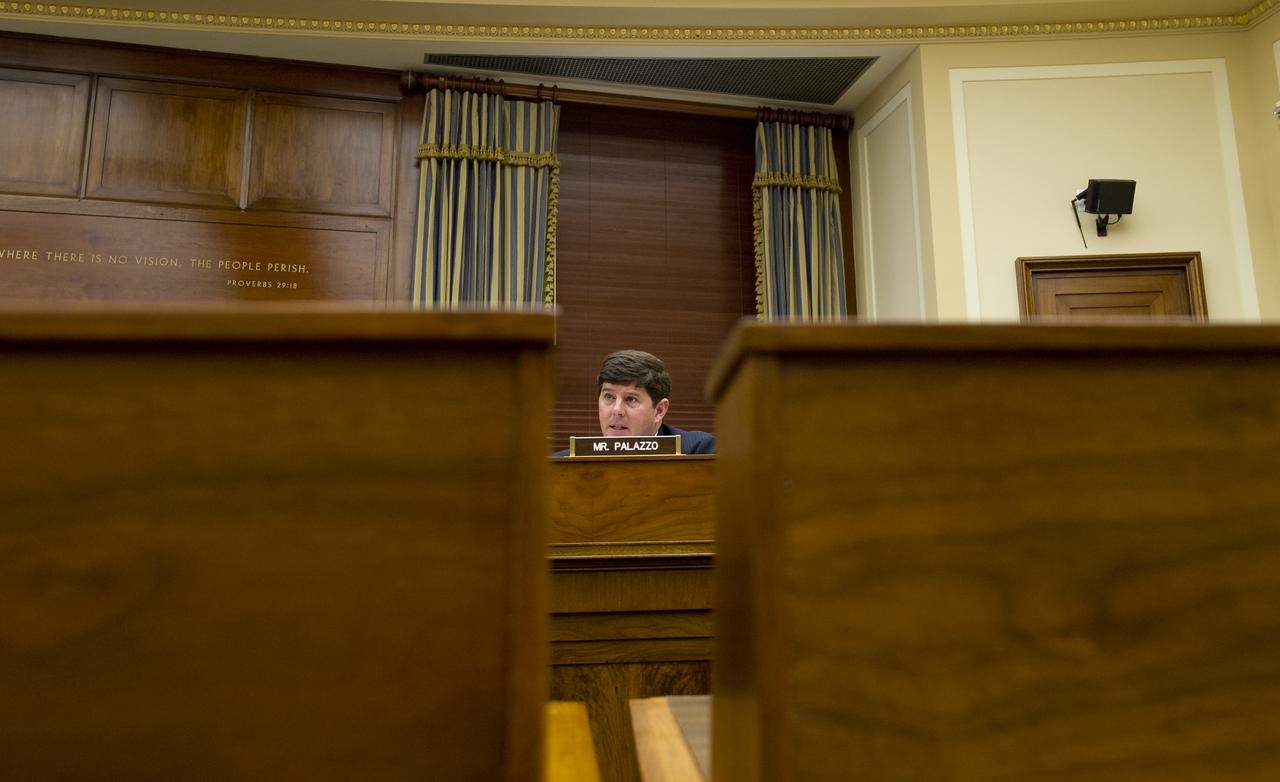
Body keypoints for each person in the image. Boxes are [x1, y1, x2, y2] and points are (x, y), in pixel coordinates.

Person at [557, 349, 715, 455]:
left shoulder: (696, 451)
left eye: (631, 399)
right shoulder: (562, 465)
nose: (617, 410)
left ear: (659, 410)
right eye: (609, 397)